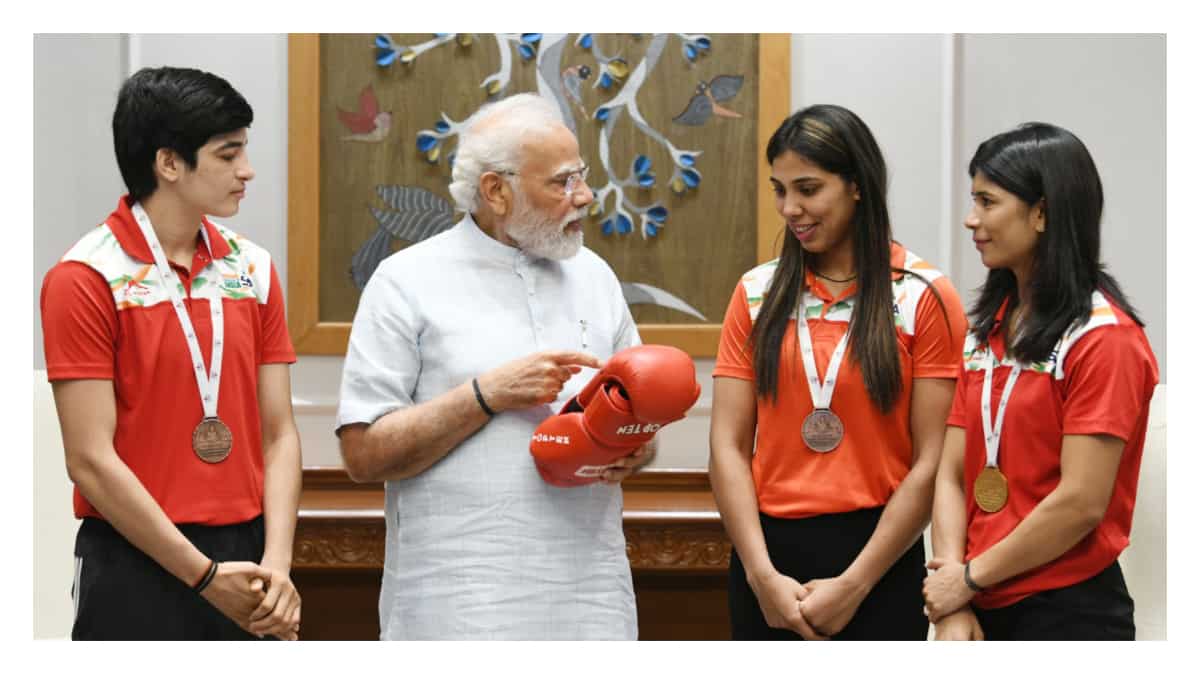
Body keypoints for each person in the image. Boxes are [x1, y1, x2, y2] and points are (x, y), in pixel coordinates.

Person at [335, 93, 653, 640]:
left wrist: (635, 449)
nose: (586, 196)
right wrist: (484, 394)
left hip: (590, 596)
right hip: (458, 600)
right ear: (496, 191)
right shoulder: (404, 280)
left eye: (582, 176)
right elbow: (363, 454)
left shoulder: (595, 276)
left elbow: (640, 431)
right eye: (562, 182)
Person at [40, 66, 302, 640]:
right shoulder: (86, 277)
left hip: (250, 556)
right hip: (136, 557)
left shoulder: (252, 268)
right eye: (228, 154)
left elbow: (279, 431)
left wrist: (278, 565)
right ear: (169, 164)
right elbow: (89, 458)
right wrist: (204, 577)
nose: (247, 170)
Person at [709, 104, 967, 640]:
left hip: (879, 557)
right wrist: (760, 577)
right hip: (767, 558)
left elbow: (932, 461)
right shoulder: (755, 292)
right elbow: (728, 447)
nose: (790, 208)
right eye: (780, 190)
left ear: (856, 185)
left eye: (808, 188)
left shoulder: (923, 295)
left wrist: (854, 584)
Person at [923, 123, 1158, 640]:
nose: (971, 219)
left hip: (1066, 611)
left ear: (1042, 212)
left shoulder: (1104, 338)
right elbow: (952, 474)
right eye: (972, 200)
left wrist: (966, 581)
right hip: (976, 601)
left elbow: (1080, 503)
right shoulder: (988, 327)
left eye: (988, 202)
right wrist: (951, 594)